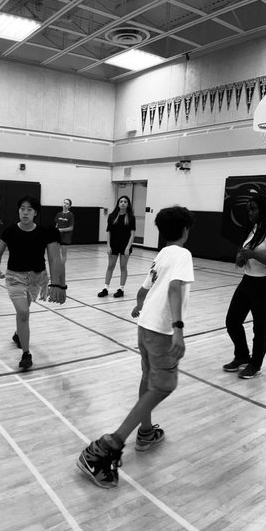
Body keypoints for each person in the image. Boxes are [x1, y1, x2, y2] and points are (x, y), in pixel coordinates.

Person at [76, 205, 196, 489]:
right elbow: (174, 287)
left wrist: (139, 307)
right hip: (162, 330)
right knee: (164, 385)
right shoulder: (182, 254)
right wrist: (178, 329)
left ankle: (145, 432)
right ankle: (107, 446)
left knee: (149, 378)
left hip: (145, 326)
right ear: (186, 231)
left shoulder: (163, 254)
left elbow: (144, 289)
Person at [0, 195, 67, 370]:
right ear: (18, 211)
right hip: (15, 277)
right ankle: (26, 354)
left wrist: (58, 283)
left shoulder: (43, 233)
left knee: (23, 312)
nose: (25, 212)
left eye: (29, 209)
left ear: (35, 213)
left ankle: (19, 334)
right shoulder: (10, 231)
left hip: (36, 279)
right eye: (22, 209)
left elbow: (55, 259)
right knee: (24, 313)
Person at [224, 193, 266, 379]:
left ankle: (255, 364)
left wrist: (253, 255)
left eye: (254, 209)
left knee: (260, 327)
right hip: (248, 281)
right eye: (249, 209)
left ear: (264, 210)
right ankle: (242, 356)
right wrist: (241, 259)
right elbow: (246, 254)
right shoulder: (253, 229)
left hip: (265, 284)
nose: (250, 213)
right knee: (232, 321)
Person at [99, 196, 136, 298]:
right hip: (113, 245)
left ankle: (121, 289)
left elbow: (132, 234)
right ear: (118, 204)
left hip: (125, 246)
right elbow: (109, 232)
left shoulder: (131, 217)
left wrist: (128, 247)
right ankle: (106, 288)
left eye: (125, 202)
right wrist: (108, 246)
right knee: (110, 266)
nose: (123, 203)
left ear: (128, 204)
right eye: (121, 201)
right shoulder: (112, 216)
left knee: (123, 267)